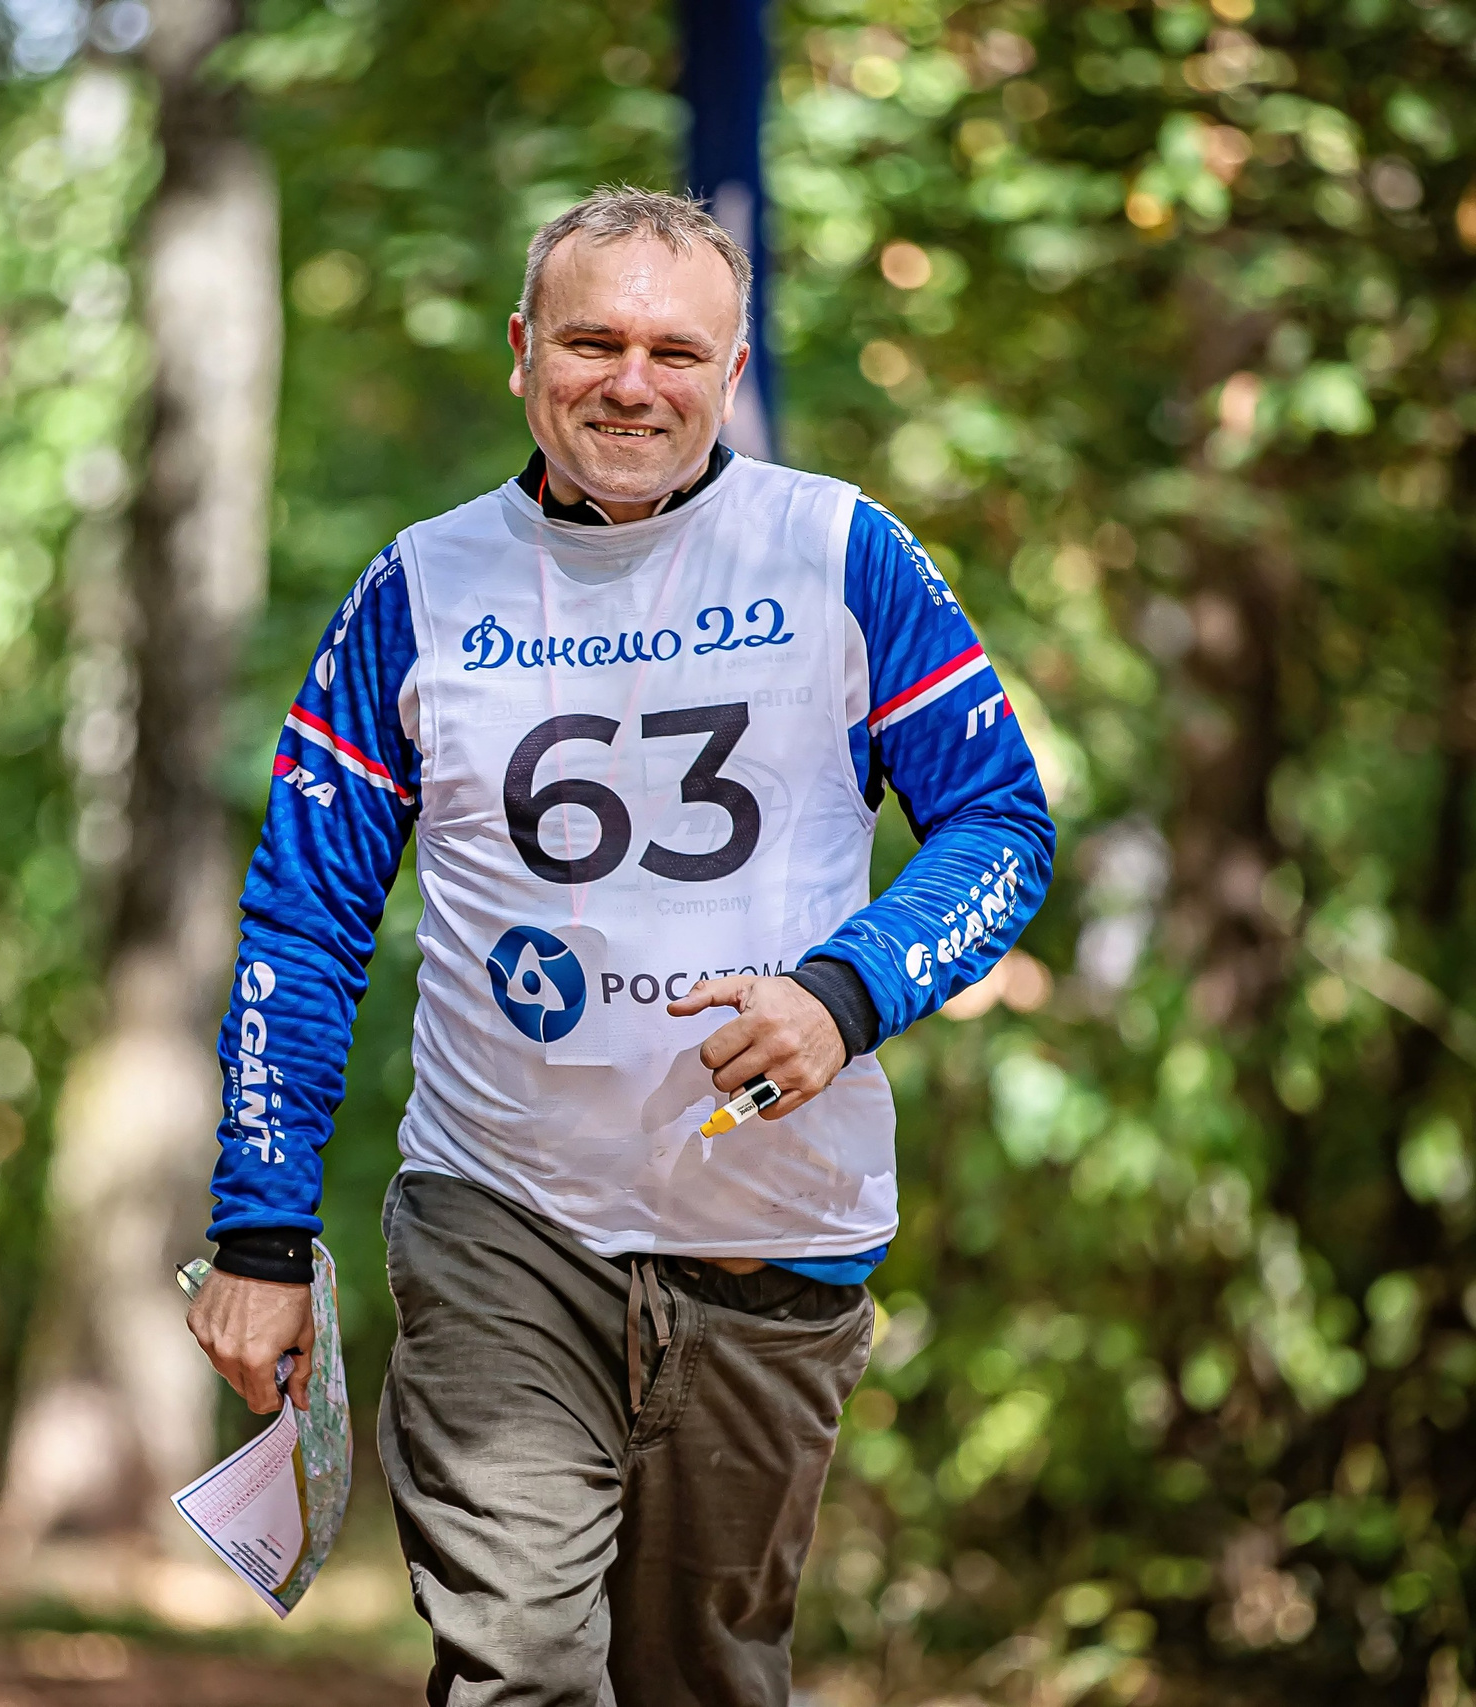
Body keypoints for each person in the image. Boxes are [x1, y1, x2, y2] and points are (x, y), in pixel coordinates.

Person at [182, 185, 1055, 1706]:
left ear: (729, 370)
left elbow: (1001, 825)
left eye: (675, 349)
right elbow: (305, 919)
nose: (631, 382)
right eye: (591, 340)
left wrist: (846, 997)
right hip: (500, 1214)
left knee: (705, 1679)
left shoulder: (840, 552)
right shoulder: (417, 588)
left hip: (772, 1228)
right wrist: (261, 1235)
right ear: (523, 354)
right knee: (516, 1666)